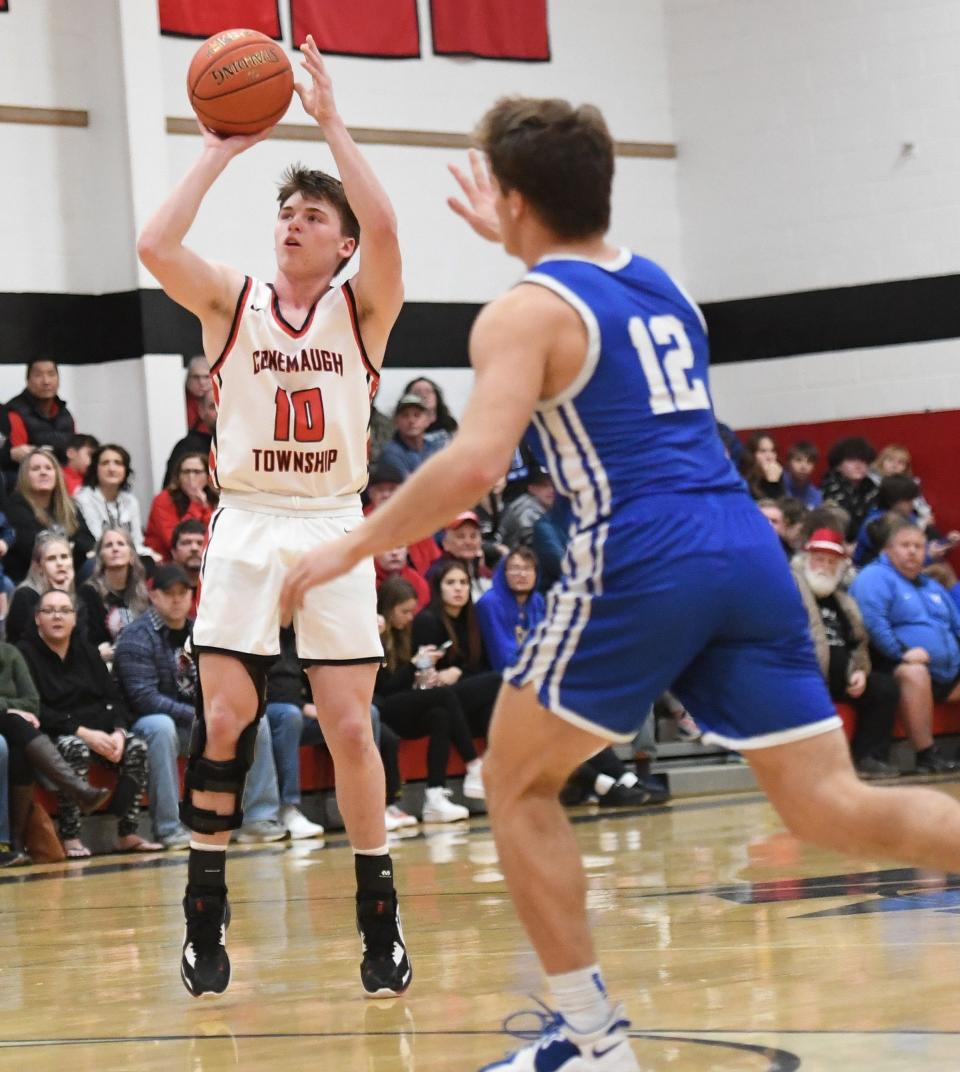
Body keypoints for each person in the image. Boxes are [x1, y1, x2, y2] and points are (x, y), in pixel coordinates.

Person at [281, 96, 960, 1072]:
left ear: (513, 200)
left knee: (511, 783)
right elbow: (585, 286)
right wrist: (518, 228)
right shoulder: (664, 285)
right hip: (747, 548)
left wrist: (349, 547)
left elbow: (475, 465)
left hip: (648, 552)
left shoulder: (521, 313)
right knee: (830, 805)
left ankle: (594, 1043)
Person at [137, 35, 410, 1000]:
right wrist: (221, 145)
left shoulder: (364, 311)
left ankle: (379, 915)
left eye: (312, 214)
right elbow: (153, 247)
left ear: (341, 244)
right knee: (226, 716)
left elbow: (386, 228)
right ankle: (203, 912)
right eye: (286, 212)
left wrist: (331, 122)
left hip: (334, 522)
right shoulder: (232, 302)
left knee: (349, 726)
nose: (294, 222)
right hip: (250, 519)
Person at [113, 565, 286, 850]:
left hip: (196, 723)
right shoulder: (136, 636)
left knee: (256, 720)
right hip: (149, 728)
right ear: (153, 596)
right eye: (169, 594)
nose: (177, 599)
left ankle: (259, 818)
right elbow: (144, 698)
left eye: (183, 593)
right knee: (160, 726)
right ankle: (169, 828)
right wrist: (199, 715)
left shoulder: (203, 631)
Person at [18, 589, 159, 856]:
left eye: (65, 611)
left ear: (74, 618)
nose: (57, 616)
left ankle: (127, 833)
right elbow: (37, 709)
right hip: (55, 734)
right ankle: (71, 836)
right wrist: (82, 732)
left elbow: (114, 698)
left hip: (99, 730)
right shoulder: (25, 653)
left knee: (136, 746)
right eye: (49, 611)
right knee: (75, 748)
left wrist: (118, 731)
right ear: (37, 618)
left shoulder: (86, 650)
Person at [851, 519, 960, 773]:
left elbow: (956, 624)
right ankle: (926, 754)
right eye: (905, 545)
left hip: (946, 670)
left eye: (919, 546)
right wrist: (902, 652)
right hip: (895, 665)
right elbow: (874, 624)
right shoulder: (874, 577)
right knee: (914, 671)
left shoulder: (931, 585)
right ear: (888, 550)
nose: (913, 551)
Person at [792, 529, 900, 777]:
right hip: (803, 675)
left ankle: (868, 757)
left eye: (832, 562)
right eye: (819, 559)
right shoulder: (789, 592)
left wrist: (860, 671)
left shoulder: (844, 601)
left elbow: (859, 642)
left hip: (840, 678)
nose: (825, 566)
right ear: (805, 560)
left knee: (883, 688)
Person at [375, 577, 481, 821]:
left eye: (413, 610)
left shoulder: (404, 635)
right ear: (388, 610)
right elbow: (385, 688)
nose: (411, 617)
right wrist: (414, 665)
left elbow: (406, 685)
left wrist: (424, 675)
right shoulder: (374, 636)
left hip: (399, 706)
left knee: (440, 715)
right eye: (405, 611)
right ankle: (474, 763)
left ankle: (434, 794)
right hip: (379, 706)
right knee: (444, 695)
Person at [0, 642, 111, 865]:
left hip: (12, 728)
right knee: (13, 724)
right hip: (9, 722)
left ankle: (13, 845)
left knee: (20, 749)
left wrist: (11, 711)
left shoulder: (10, 653)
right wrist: (7, 708)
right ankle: (79, 790)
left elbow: (32, 703)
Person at [413, 559, 501, 739]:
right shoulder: (427, 620)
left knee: (490, 712)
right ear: (439, 588)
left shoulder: (473, 619)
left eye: (463, 582)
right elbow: (422, 671)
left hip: (463, 692)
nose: (458, 588)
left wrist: (458, 671)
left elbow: (479, 664)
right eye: (450, 583)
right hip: (436, 695)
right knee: (499, 679)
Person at [4, 448, 94, 583]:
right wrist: (69, 546)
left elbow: (87, 541)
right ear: (25, 476)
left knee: (95, 564)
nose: (43, 472)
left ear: (57, 474)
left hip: (68, 571)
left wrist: (61, 552)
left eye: (48, 468)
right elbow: (32, 550)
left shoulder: (69, 505)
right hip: (29, 578)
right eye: (36, 469)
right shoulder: (15, 506)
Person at [6, 531, 89, 647]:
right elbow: (37, 644)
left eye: (64, 557)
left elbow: (81, 642)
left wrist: (66, 597)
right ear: (39, 567)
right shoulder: (25, 596)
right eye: (51, 558)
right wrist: (61, 596)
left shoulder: (76, 598)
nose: (60, 563)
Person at [78, 528, 150, 659]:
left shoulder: (143, 592)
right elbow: (89, 642)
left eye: (121, 544)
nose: (115, 549)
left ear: (132, 556)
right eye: (108, 545)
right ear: (101, 557)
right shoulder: (88, 593)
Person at [73, 443, 150, 558]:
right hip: (97, 557)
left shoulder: (131, 501)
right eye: (105, 463)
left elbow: (136, 540)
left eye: (118, 463)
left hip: (129, 555)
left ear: (126, 470)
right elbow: (98, 540)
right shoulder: (83, 498)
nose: (111, 469)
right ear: (95, 469)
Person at [143, 452, 215, 562]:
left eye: (197, 472)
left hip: (205, 560)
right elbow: (173, 541)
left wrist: (205, 508)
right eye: (186, 472)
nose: (191, 477)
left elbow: (216, 536)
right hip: (165, 563)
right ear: (178, 477)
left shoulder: (214, 498)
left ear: (207, 476)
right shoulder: (163, 500)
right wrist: (196, 506)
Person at [5, 359, 77, 464]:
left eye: (51, 374)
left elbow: (75, 452)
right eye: (38, 375)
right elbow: (19, 456)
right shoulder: (15, 412)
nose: (46, 381)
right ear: (27, 380)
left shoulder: (65, 414)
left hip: (63, 475)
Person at [819, 436, 879, 541]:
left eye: (863, 461)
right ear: (838, 465)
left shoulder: (873, 489)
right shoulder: (829, 489)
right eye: (852, 460)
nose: (859, 465)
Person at [377, 392, 448, 477]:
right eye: (405, 415)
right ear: (396, 421)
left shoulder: (436, 448)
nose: (411, 420)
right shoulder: (390, 454)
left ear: (428, 420)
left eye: (417, 415)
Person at [428, 511, 493, 600]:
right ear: (445, 543)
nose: (468, 542)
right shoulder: (437, 574)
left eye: (473, 536)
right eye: (460, 536)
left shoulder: (484, 572)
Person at [165, 390, 217, 487]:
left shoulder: (248, 444)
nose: (220, 412)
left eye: (226, 406)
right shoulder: (189, 447)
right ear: (201, 411)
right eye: (213, 407)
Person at [498, 470, 555, 549]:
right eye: (544, 486)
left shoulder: (550, 507)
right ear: (531, 488)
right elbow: (542, 547)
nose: (551, 490)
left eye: (553, 485)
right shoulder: (527, 511)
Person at [168, 518, 206, 617]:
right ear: (174, 552)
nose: (194, 548)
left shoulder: (219, 588)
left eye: (200, 543)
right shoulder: (159, 587)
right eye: (186, 543)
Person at [739, 430, 784, 500]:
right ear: (752, 455)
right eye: (763, 451)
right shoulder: (743, 482)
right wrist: (772, 483)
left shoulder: (778, 475)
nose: (769, 457)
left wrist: (774, 482)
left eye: (772, 451)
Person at [782, 441, 822, 508]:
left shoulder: (815, 495)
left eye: (809, 462)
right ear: (788, 462)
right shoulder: (777, 485)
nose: (804, 466)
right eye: (798, 460)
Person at [183, 355, 213, 431]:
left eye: (206, 377)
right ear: (187, 380)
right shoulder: (180, 401)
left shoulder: (221, 401)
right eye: (196, 377)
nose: (201, 382)